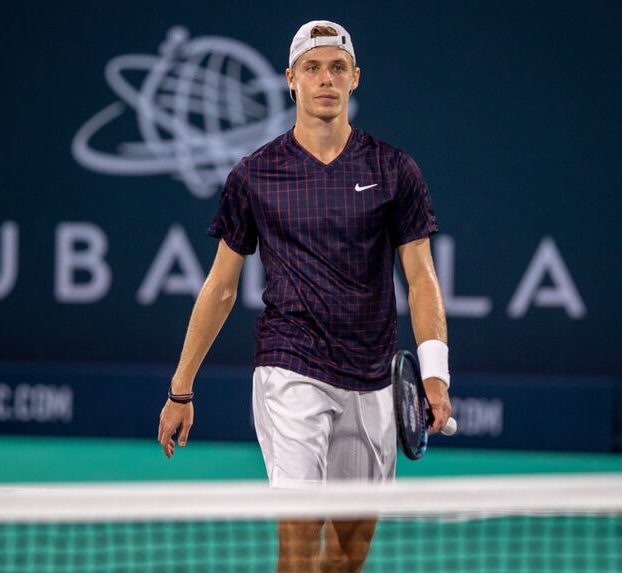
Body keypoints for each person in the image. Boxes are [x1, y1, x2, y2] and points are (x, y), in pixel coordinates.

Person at [158, 19, 452, 572]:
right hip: (290, 368)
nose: (325, 79)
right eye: (312, 68)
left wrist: (435, 373)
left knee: (344, 558)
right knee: (297, 545)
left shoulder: (394, 170)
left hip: (372, 376)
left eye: (337, 68)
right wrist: (181, 389)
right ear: (290, 80)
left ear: (355, 78)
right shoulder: (254, 175)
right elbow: (221, 287)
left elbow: (421, 278)